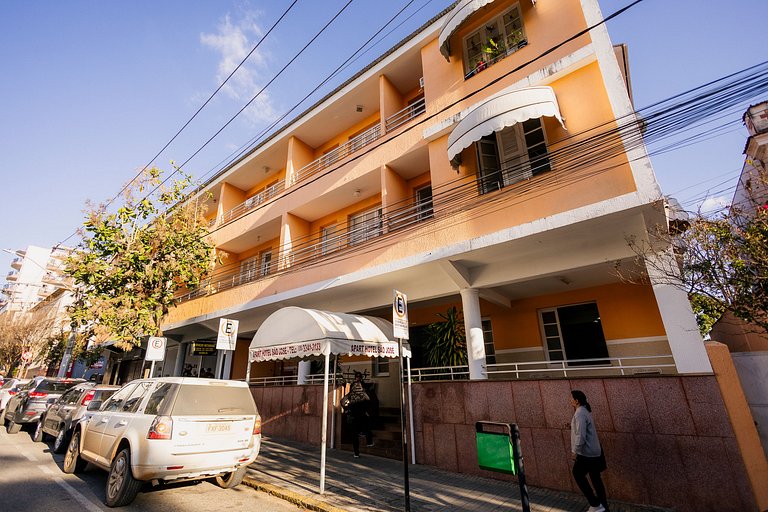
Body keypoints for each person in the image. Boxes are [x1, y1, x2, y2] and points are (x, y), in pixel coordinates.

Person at [570, 389, 609, 512]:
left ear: (576, 401)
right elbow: (582, 428)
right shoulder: (585, 410)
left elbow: (581, 435)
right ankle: (603, 506)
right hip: (594, 451)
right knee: (595, 478)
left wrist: (575, 451)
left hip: (586, 452)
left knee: (577, 473)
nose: (569, 400)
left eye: (571, 398)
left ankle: (595, 503)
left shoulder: (580, 413)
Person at [343, 371, 374, 458]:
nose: (358, 378)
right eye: (357, 377)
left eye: (359, 377)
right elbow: (368, 400)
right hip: (358, 413)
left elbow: (343, 401)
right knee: (362, 429)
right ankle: (365, 444)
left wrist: (346, 407)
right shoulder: (358, 389)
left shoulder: (359, 388)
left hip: (357, 413)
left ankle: (358, 451)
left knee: (357, 432)